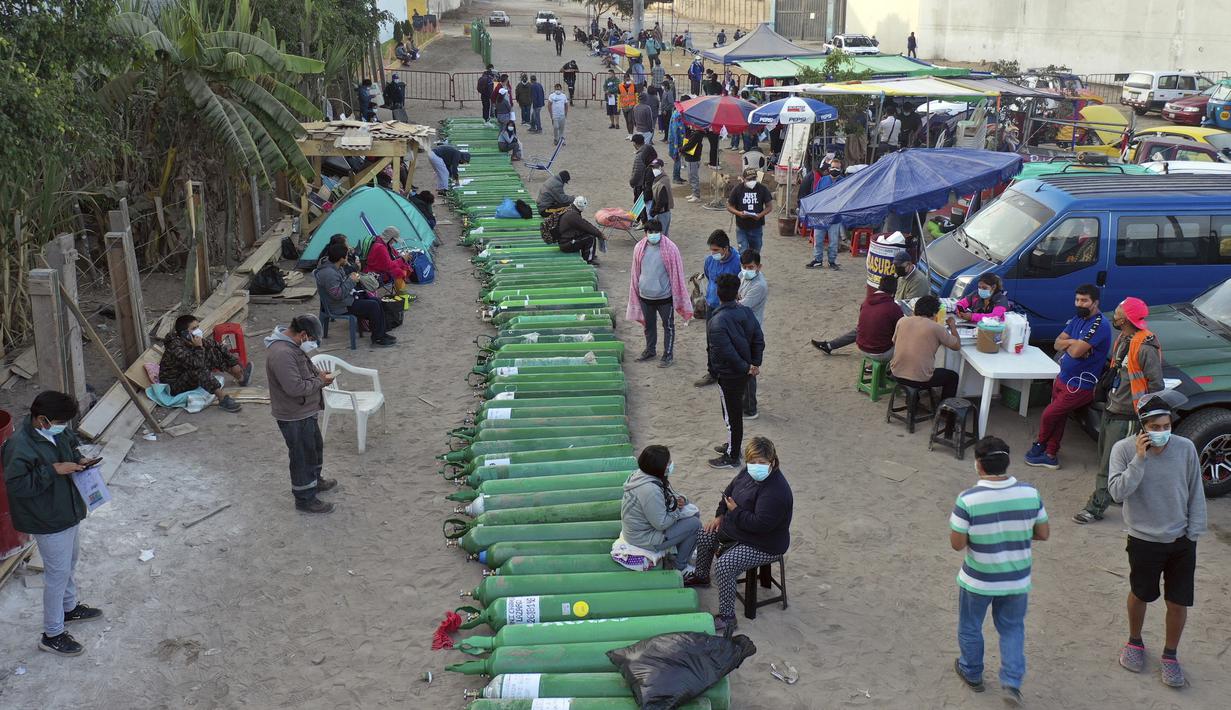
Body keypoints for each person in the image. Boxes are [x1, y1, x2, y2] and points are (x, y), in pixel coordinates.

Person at [1107, 391, 1207, 689]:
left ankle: (1170, 655)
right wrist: (1139, 459)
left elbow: (1195, 490)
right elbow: (1117, 493)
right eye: (1155, 427)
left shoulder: (1185, 448)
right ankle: (1135, 641)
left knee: (1178, 602)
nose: (1162, 432)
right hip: (1143, 539)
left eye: (1166, 426)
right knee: (1140, 594)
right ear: (1143, 427)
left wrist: (1193, 532)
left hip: (1181, 540)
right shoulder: (1124, 450)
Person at [1, 391, 105, 656]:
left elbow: (70, 445)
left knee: (69, 562)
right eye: (59, 422)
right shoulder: (19, 446)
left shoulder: (56, 430)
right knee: (56, 576)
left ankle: (69, 608)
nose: (63, 427)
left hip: (67, 510)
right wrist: (53, 470)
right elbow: (17, 485)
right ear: (42, 419)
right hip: (46, 518)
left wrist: (79, 460)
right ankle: (52, 634)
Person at [949, 437, 1049, 705]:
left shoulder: (968, 499)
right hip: (1016, 580)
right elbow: (1043, 533)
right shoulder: (1030, 494)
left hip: (978, 580)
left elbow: (957, 544)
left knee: (970, 625)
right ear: (1006, 462)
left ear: (978, 465)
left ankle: (972, 672)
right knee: (1012, 629)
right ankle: (1012, 683)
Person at [686, 436, 792, 633]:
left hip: (763, 543)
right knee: (705, 533)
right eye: (752, 462)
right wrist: (720, 515)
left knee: (725, 566)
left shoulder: (775, 492)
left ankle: (728, 617)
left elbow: (760, 525)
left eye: (762, 462)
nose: (756, 466)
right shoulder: (747, 473)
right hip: (738, 529)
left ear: (772, 462)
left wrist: (735, 511)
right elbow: (728, 493)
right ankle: (701, 575)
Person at [1074, 297, 1164, 524]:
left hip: (1127, 415)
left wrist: (1145, 416)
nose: (1114, 316)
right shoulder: (1124, 338)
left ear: (1125, 319)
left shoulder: (1145, 347)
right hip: (1112, 409)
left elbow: (1156, 385)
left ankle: (1095, 508)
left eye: (1117, 313)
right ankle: (1118, 493)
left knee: (1108, 464)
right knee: (1108, 460)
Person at [1025, 285, 1113, 469]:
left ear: (1095, 303)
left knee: (1049, 414)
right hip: (1063, 377)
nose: (1079, 304)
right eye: (1077, 300)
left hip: (1080, 385)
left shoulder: (1099, 325)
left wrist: (1071, 345)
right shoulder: (1077, 319)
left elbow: (1075, 352)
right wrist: (1073, 342)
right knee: (1058, 417)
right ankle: (1050, 454)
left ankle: (1040, 444)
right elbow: (1057, 343)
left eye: (1084, 300)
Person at [264, 315, 338, 514]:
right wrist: (320, 382)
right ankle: (305, 499)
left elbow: (304, 369)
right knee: (302, 456)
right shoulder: (282, 353)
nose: (312, 344)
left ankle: (315, 480)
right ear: (303, 334)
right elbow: (295, 387)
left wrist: (318, 375)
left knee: (314, 448)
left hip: (305, 410)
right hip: (294, 415)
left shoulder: (292, 346)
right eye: (311, 339)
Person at [705, 274, 764, 468]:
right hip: (744, 371)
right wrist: (754, 364)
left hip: (729, 374)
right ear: (737, 292)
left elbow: (725, 352)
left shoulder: (717, 321)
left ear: (718, 293)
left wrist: (747, 367)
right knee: (734, 413)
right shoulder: (746, 312)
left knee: (731, 416)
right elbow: (758, 338)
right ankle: (733, 444)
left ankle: (732, 455)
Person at [621, 445, 702, 573]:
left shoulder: (643, 475)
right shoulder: (649, 490)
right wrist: (676, 510)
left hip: (643, 528)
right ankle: (680, 567)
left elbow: (669, 494)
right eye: (668, 463)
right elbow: (661, 524)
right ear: (658, 467)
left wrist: (681, 499)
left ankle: (679, 553)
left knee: (693, 513)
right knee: (695, 524)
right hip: (643, 538)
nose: (671, 464)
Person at [628, 220, 692, 368]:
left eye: (656, 232)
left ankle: (668, 355)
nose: (653, 235)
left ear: (661, 232)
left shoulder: (671, 248)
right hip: (645, 296)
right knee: (649, 326)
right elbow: (635, 272)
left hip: (664, 297)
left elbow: (677, 273)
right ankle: (650, 350)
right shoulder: (639, 248)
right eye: (650, 232)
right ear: (645, 233)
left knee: (668, 326)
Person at [158, 314, 252, 413]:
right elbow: (197, 364)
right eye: (193, 328)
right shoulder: (175, 347)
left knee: (212, 351)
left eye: (197, 327)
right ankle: (222, 399)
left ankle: (240, 377)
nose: (197, 331)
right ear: (184, 333)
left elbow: (215, 345)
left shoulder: (189, 339)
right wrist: (198, 347)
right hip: (174, 384)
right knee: (198, 368)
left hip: (185, 373)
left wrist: (234, 363)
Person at [319, 243, 396, 347]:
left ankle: (381, 334)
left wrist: (351, 278)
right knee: (373, 306)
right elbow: (337, 294)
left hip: (346, 300)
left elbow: (341, 284)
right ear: (341, 258)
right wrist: (351, 280)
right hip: (339, 306)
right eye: (346, 256)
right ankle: (378, 338)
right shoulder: (329, 274)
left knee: (376, 300)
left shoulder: (336, 267)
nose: (347, 258)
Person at [811, 274, 902, 359]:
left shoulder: (866, 302)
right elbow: (900, 329)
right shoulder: (893, 308)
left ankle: (829, 346)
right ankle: (890, 367)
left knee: (863, 329)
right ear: (893, 291)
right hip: (881, 352)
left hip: (862, 347)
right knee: (905, 336)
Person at [891, 294, 961, 399]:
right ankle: (944, 407)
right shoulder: (936, 327)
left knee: (919, 367)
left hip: (896, 373)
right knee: (952, 377)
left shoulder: (902, 321)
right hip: (919, 379)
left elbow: (894, 342)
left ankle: (913, 401)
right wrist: (953, 326)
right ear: (934, 313)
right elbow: (956, 346)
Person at [737, 249, 767, 418]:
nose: (747, 270)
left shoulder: (759, 286)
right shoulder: (742, 276)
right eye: (744, 267)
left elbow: (741, 305)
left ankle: (750, 409)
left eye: (750, 267)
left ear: (758, 267)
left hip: (750, 331)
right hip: (742, 328)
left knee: (749, 370)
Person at [805, 157, 844, 269]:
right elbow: (816, 195)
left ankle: (832, 261)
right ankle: (818, 260)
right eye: (833, 167)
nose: (835, 169)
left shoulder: (844, 182)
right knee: (818, 239)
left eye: (837, 168)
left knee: (833, 241)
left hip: (835, 217)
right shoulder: (823, 180)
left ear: (841, 169)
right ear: (829, 168)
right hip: (821, 216)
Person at [727, 168, 774, 254]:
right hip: (742, 227)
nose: (752, 181)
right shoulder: (737, 189)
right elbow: (729, 206)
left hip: (757, 226)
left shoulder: (762, 189)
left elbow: (769, 207)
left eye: (754, 178)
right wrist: (739, 213)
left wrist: (760, 215)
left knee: (755, 252)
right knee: (743, 251)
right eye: (749, 179)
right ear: (743, 179)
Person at [556, 196, 605, 265]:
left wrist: (597, 232)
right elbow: (586, 226)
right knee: (591, 238)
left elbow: (584, 224)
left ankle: (588, 254)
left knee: (586, 235)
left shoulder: (570, 210)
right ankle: (588, 260)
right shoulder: (573, 215)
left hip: (564, 241)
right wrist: (599, 234)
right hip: (566, 244)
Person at [363, 226, 412, 292]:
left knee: (403, 266)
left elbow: (394, 254)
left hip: (376, 268)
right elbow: (389, 266)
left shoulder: (380, 241)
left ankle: (402, 290)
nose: (395, 242)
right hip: (375, 273)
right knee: (398, 272)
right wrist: (403, 259)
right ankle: (402, 293)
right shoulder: (380, 247)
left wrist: (401, 257)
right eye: (394, 240)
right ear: (389, 238)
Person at [629, 133, 657, 218]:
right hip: (651, 180)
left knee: (641, 205)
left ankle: (643, 221)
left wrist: (632, 182)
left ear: (635, 143)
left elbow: (637, 172)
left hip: (641, 184)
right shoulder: (650, 148)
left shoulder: (640, 155)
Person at [648, 158, 673, 235]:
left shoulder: (662, 182)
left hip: (662, 213)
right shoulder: (660, 178)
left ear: (661, 168)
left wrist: (654, 211)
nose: (653, 170)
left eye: (655, 167)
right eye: (652, 168)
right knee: (664, 235)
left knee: (661, 236)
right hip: (663, 212)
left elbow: (662, 200)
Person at [681, 127, 705, 202]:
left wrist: (681, 149)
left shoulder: (696, 134)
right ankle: (694, 193)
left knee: (693, 177)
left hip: (692, 158)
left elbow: (690, 145)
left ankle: (696, 195)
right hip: (694, 157)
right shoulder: (697, 133)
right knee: (691, 176)